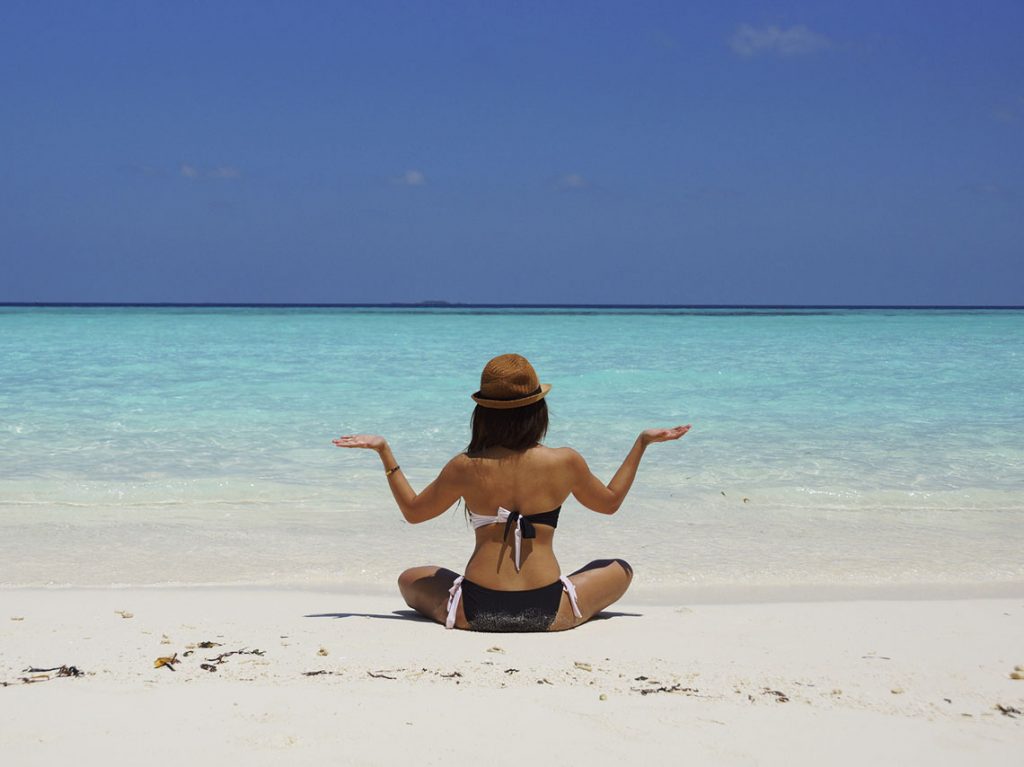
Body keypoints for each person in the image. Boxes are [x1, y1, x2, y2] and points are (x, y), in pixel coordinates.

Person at [333, 353, 690, 632]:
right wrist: (641, 443)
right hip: (549, 612)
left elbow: (413, 512)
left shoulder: (466, 465)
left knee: (410, 578)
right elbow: (610, 504)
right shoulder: (565, 461)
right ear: (538, 411)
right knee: (618, 568)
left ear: (482, 414)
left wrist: (385, 452)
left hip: (475, 611)